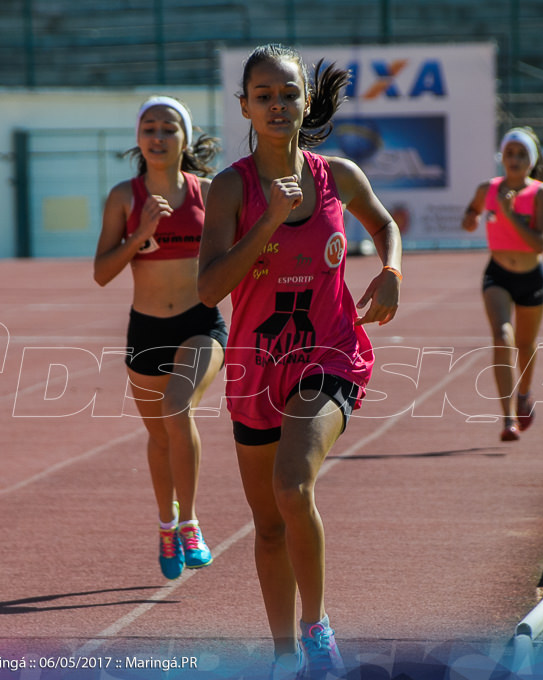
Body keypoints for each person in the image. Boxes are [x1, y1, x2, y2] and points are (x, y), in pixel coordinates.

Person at [197, 43, 401, 677]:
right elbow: (209, 289)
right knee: (267, 528)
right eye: (264, 96)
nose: (278, 105)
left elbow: (384, 223)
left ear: (305, 101)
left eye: (289, 93)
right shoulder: (230, 188)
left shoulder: (337, 175)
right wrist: (269, 223)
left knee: (292, 485)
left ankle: (318, 629)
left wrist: (390, 269)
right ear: (245, 108)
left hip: (329, 353)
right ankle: (284, 654)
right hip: (256, 367)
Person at [93, 96, 225, 581]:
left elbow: (241, 255)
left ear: (185, 137)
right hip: (146, 328)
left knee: (177, 408)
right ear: (138, 138)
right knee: (158, 437)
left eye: (169, 128)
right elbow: (102, 273)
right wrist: (140, 232)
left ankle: (189, 522)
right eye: (149, 127)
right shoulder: (124, 198)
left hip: (199, 321)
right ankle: (166, 524)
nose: (158, 136)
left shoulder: (209, 193)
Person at [462, 127, 543, 442]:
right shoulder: (487, 189)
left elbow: (539, 243)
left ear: (532, 160)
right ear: (501, 157)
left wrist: (507, 212)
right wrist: (471, 219)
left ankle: (524, 393)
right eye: (509, 153)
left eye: (521, 154)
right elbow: (471, 213)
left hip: (531, 277)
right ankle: (508, 417)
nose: (514, 159)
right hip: (497, 273)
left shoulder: (541, 194)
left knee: (525, 344)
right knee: (502, 336)